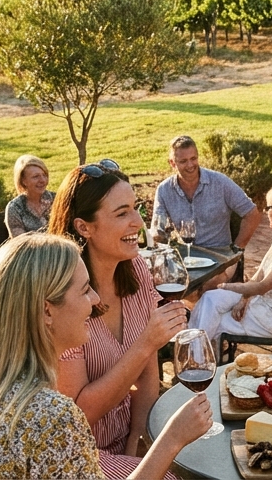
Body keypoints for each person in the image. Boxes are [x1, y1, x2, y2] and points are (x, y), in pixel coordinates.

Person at [0, 233, 212, 479]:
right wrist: (172, 439)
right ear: (47, 311)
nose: (95, 300)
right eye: (84, 290)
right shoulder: (51, 416)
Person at [48, 160, 190, 473]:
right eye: (122, 213)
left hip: (124, 435)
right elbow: (77, 416)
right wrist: (145, 344)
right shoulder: (64, 299)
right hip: (80, 451)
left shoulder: (136, 270)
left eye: (135, 208)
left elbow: (148, 376)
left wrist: (139, 443)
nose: (138, 222)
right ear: (84, 227)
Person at [188, 186, 272, 351]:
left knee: (211, 321)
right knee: (208, 299)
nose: (265, 212)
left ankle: (195, 366)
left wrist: (226, 286)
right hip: (262, 303)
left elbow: (262, 287)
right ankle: (196, 358)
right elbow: (260, 275)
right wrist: (243, 299)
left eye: (268, 208)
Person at [152, 135, 264, 285]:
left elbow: (252, 214)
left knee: (206, 286)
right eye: (183, 161)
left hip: (221, 257)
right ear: (172, 163)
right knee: (157, 283)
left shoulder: (220, 182)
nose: (190, 165)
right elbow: (158, 227)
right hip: (187, 257)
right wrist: (157, 235)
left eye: (193, 158)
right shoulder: (164, 190)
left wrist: (236, 250)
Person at [5, 155, 54, 237]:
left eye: (44, 175)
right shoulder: (15, 208)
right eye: (36, 177)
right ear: (23, 181)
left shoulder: (56, 200)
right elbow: (21, 242)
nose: (42, 180)